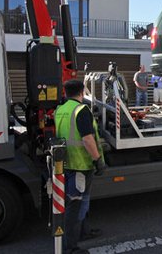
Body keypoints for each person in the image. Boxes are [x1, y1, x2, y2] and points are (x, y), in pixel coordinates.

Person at [55, 80, 107, 254]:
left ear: (65, 92)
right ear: (82, 92)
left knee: (82, 201)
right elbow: (87, 139)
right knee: (75, 205)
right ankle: (70, 247)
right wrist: (98, 159)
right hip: (81, 165)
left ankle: (84, 232)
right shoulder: (81, 110)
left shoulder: (60, 110)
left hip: (67, 163)